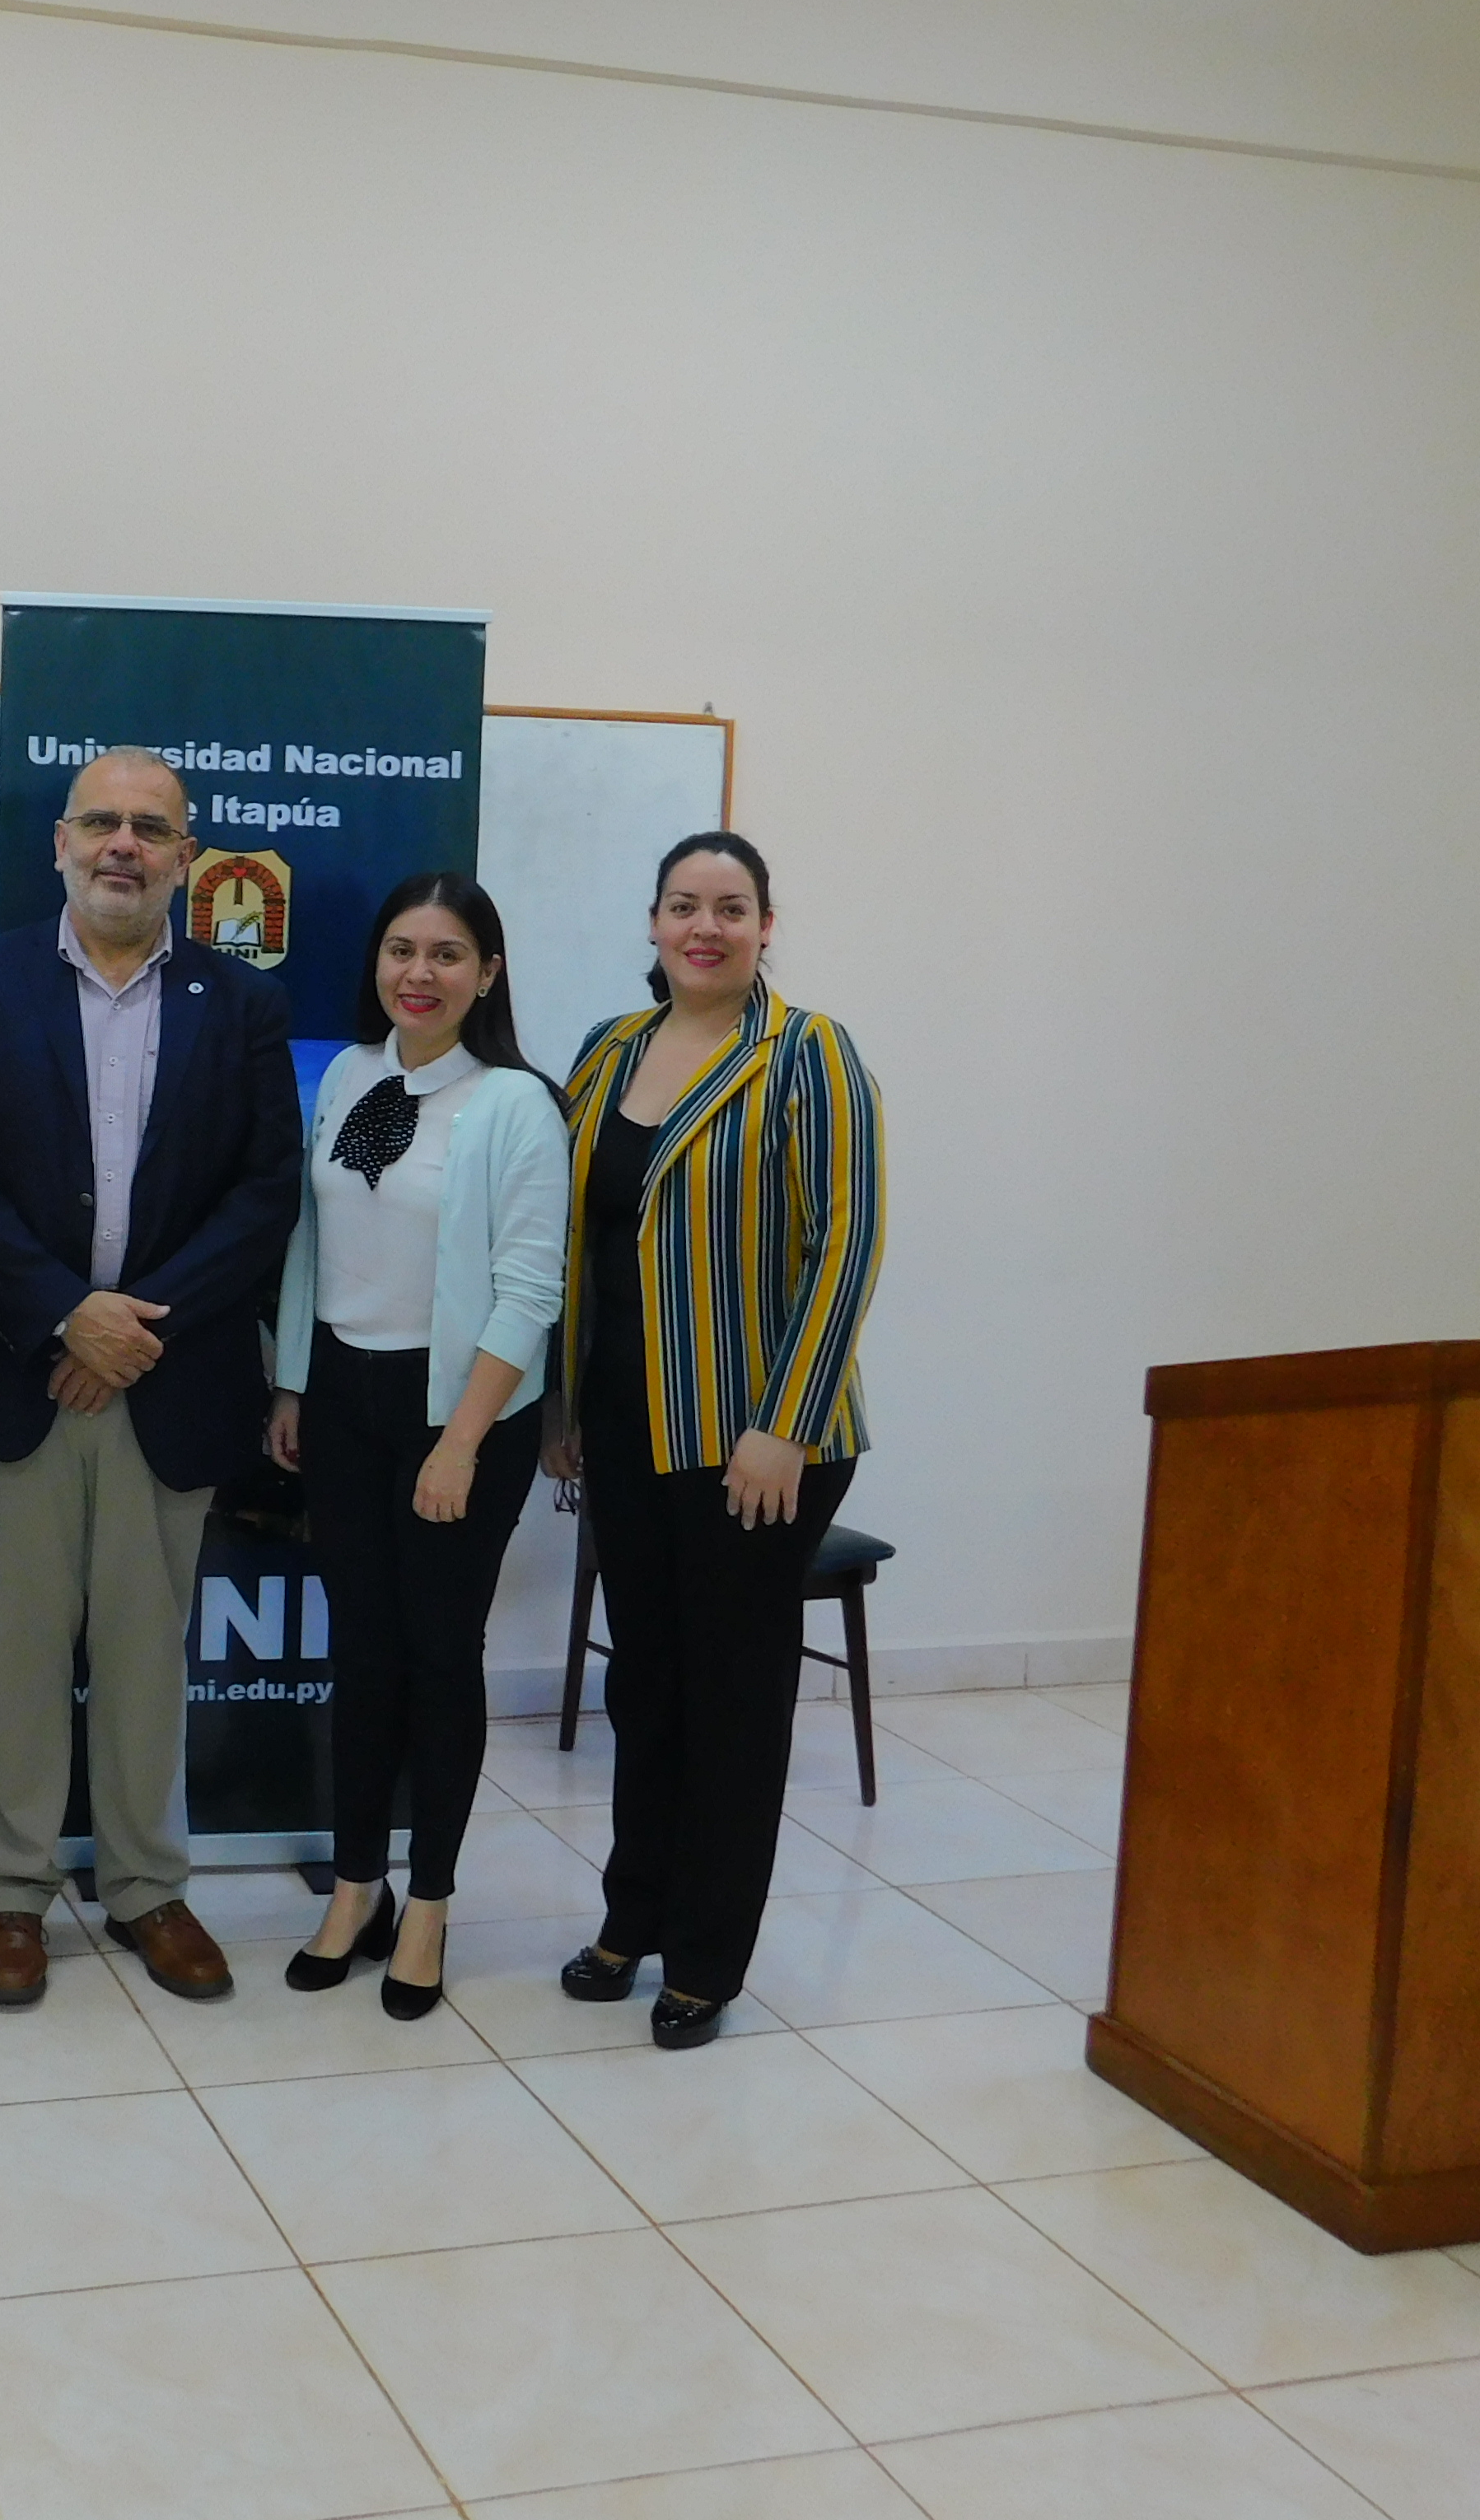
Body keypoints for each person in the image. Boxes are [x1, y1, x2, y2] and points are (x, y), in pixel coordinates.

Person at [0, 748, 301, 2008]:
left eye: (152, 827)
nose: (123, 845)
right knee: (19, 1646)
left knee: (144, 1650)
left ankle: (146, 1886)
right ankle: (13, 1892)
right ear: (62, 846)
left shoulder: (238, 1004)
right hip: (17, 1373)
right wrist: (63, 1319)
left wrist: (139, 1330)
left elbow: (264, 1191)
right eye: (101, 824)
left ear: (189, 857)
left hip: (168, 1380)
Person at [549, 828, 885, 2049]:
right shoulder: (606, 1055)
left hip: (756, 1441)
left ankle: (704, 1955)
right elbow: (578, 1244)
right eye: (684, 905)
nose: (706, 926)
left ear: (764, 926)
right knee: (648, 1689)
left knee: (733, 1704)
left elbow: (846, 1246)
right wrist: (568, 1412)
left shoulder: (809, 1055)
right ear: (651, 923)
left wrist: (785, 1426)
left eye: (731, 908)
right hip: (633, 1428)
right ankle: (631, 1916)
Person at [265, 875, 567, 2015]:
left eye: (448, 954)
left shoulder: (516, 1106)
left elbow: (528, 1290)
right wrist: (293, 1379)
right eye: (402, 950)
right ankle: (356, 1888)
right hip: (342, 1399)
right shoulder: (348, 1075)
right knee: (363, 1656)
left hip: (461, 1414)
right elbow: (311, 1237)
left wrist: (462, 1444)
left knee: (442, 1660)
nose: (420, 974)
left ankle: (429, 1902)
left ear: (487, 973)